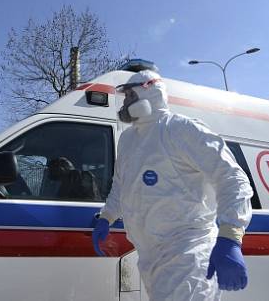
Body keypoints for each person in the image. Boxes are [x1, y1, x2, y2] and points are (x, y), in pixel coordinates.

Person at [92, 70, 253, 300]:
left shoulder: (180, 129)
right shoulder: (128, 140)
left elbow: (232, 178)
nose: (125, 102)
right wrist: (106, 217)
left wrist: (230, 236)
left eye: (129, 96)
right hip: (150, 257)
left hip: (188, 254)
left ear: (149, 92)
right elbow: (121, 186)